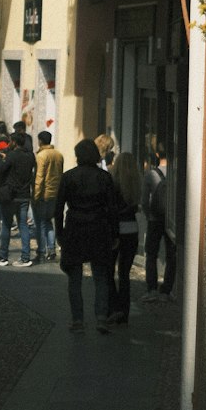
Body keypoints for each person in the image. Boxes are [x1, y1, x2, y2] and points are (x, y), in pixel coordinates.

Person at [55, 139, 118, 334]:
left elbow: (58, 208)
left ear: (78, 156)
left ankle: (78, 320)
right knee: (100, 275)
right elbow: (112, 208)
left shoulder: (68, 177)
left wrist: (60, 233)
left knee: (75, 278)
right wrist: (114, 233)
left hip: (75, 227)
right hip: (99, 227)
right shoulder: (104, 177)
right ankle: (101, 317)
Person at [107, 152, 142, 324]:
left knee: (109, 271)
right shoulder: (136, 183)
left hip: (117, 230)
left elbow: (111, 209)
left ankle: (114, 308)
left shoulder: (114, 184)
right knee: (124, 274)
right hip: (132, 229)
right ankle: (124, 311)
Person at [141, 146, 176, 302]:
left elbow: (144, 200)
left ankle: (152, 288)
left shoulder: (151, 175)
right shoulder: (176, 173)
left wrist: (149, 215)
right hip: (171, 219)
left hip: (155, 219)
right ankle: (167, 289)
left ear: (156, 155)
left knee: (151, 254)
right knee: (171, 255)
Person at [0, 132, 36, 266]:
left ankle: (3, 256)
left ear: (14, 142)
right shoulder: (31, 156)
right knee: (23, 225)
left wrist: (4, 159)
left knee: (7, 225)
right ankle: (25, 257)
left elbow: (2, 170)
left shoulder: (12, 155)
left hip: (10, 195)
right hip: (24, 195)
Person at [32, 131, 64, 263]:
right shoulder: (58, 155)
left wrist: (36, 194)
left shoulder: (41, 156)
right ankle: (52, 250)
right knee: (48, 222)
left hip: (43, 194)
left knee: (40, 224)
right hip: (55, 193)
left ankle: (41, 251)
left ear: (40, 141)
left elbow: (39, 177)